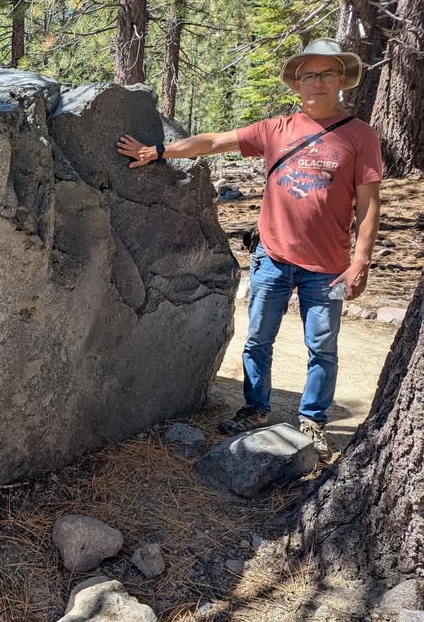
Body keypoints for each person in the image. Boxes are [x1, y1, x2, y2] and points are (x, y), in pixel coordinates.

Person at [116, 38, 382, 461]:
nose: (317, 82)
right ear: (298, 83)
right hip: (272, 259)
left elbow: (368, 203)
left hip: (328, 268)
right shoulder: (276, 130)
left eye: (326, 73)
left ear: (340, 80)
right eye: (309, 74)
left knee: (322, 347)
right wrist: (159, 151)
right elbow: (214, 142)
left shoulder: (359, 136)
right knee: (258, 339)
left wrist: (360, 261)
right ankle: (255, 409)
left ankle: (312, 422)